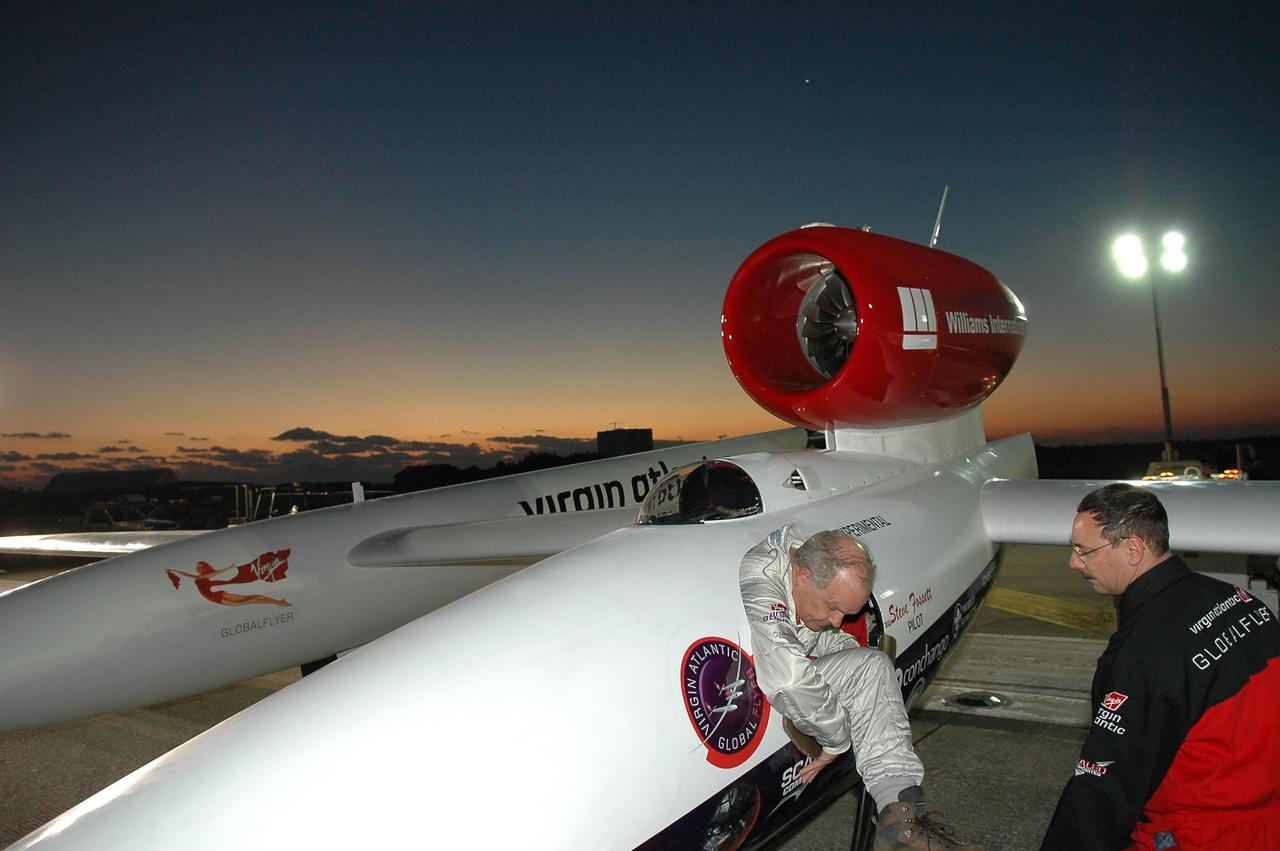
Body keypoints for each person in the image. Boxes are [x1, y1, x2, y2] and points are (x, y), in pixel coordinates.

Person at [1042, 483, 1280, 850]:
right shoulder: (1244, 602)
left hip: (1202, 834)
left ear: (1134, 549)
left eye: (1084, 550)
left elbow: (1103, 791)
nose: (1074, 562)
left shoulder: (1141, 656)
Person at [740, 523, 980, 851]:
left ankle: (902, 818)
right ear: (803, 574)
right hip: (774, 680)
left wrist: (853, 656)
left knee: (869, 668)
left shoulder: (810, 562)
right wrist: (835, 741)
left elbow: (824, 637)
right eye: (833, 607)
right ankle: (900, 826)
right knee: (871, 668)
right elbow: (789, 679)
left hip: (790, 669)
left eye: (846, 611)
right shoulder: (764, 580)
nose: (838, 619)